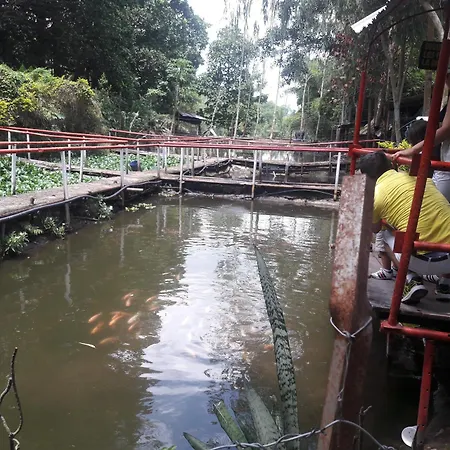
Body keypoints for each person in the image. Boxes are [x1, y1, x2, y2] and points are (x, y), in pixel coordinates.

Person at [359, 151, 450, 304]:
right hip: (448, 259)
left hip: (419, 261)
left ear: (367, 177)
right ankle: (445, 286)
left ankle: (412, 279)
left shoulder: (377, 195)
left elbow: (374, 228)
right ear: (391, 165)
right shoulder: (421, 179)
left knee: (384, 234)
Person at [393, 67, 450, 201]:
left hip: (447, 164)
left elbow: (446, 130)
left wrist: (413, 149)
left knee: (432, 205)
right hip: (443, 162)